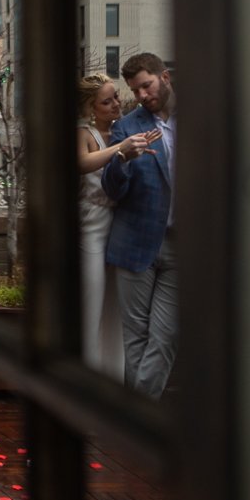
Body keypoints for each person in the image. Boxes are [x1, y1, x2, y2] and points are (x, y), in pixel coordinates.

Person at [101, 52, 176, 399]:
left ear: (164, 77)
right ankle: (143, 420)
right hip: (134, 242)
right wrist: (121, 158)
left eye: (146, 85)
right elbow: (113, 188)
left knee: (166, 337)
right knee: (136, 337)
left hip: (181, 246)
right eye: (136, 90)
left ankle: (137, 414)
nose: (142, 95)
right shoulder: (126, 127)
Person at [76, 73, 155, 381]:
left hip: (119, 225)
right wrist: (121, 148)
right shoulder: (83, 133)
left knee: (116, 310)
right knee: (91, 304)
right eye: (106, 102)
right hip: (90, 225)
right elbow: (83, 163)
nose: (115, 105)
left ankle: (112, 381)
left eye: (116, 98)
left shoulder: (124, 129)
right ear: (90, 108)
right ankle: (84, 382)